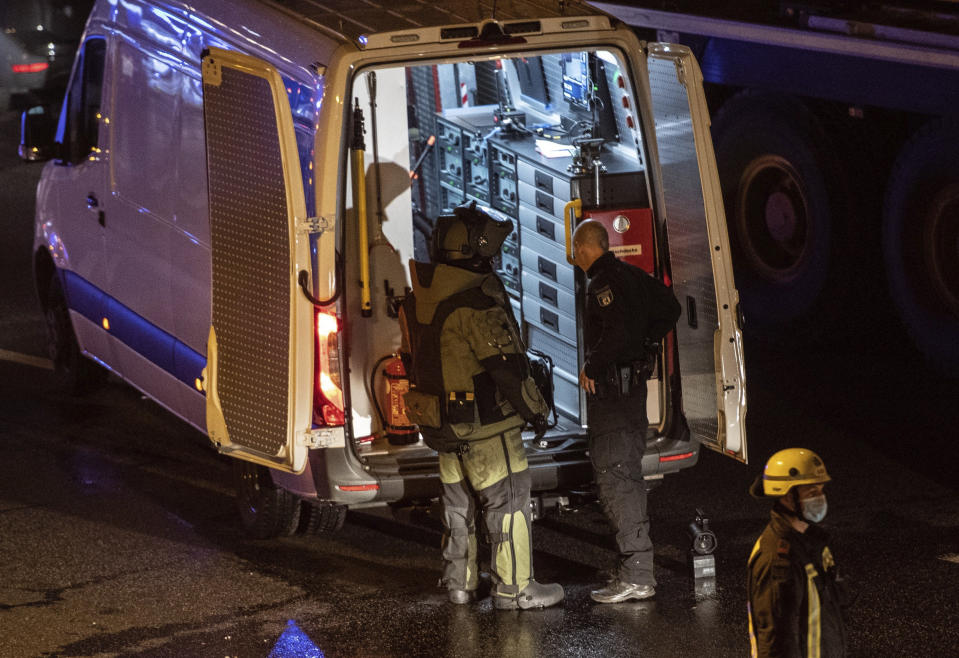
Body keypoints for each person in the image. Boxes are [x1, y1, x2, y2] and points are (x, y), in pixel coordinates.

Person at [398, 202, 563, 610]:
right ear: (476, 252)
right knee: (508, 501)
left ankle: (460, 584)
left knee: (458, 507)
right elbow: (506, 367)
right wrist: (537, 413)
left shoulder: (420, 297)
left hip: (442, 427)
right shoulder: (475, 303)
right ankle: (516, 588)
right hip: (486, 428)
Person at [571, 220, 681, 604]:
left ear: (584, 248)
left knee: (617, 477)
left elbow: (614, 334)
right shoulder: (633, 275)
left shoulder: (601, 283)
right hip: (632, 395)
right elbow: (671, 307)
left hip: (613, 399)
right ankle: (636, 569)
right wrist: (647, 343)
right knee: (626, 472)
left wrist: (592, 366)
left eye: (575, 248)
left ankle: (637, 574)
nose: (573, 255)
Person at [747, 448, 850, 657]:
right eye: (812, 493)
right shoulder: (778, 560)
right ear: (787, 496)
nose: (821, 499)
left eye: (821, 490)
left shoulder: (813, 543)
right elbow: (776, 643)